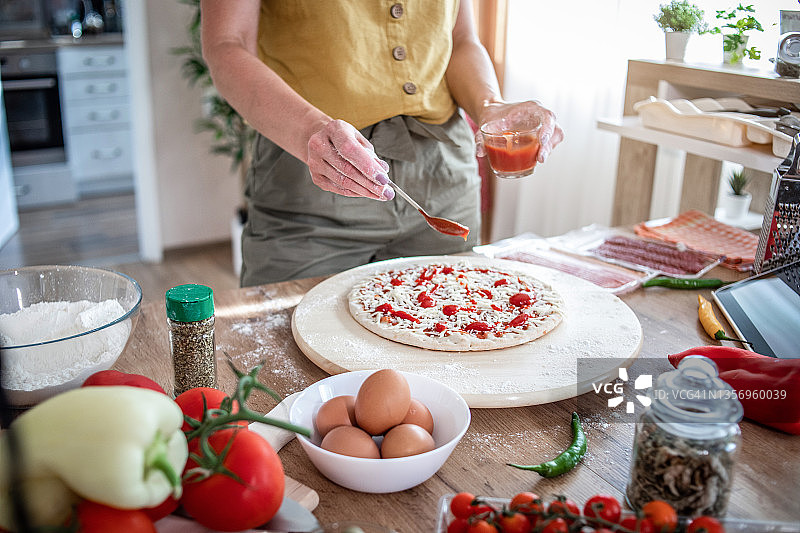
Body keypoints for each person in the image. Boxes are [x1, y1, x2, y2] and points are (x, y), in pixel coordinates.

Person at [200, 0, 564, 286]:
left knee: (450, 339)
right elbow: (227, 45)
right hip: (314, 178)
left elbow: (460, 40)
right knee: (292, 346)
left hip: (444, 179)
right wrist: (311, 128)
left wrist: (490, 105)